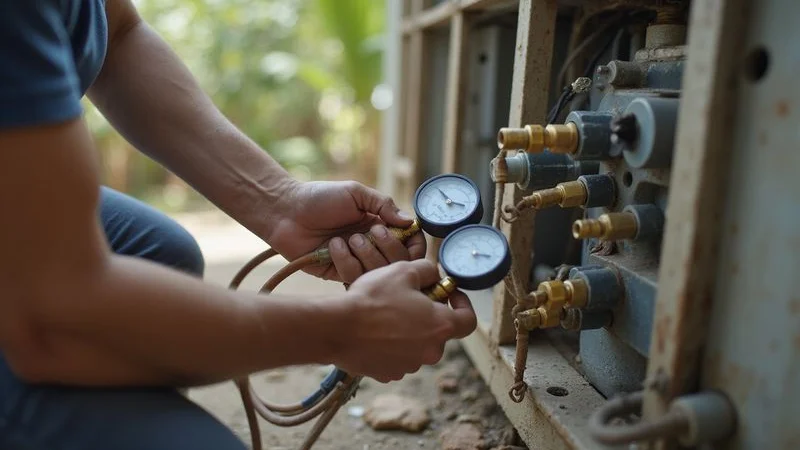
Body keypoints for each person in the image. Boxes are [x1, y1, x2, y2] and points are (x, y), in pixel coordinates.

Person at [0, 1, 478, 448]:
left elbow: (119, 35)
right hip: (44, 315)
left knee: (161, 255)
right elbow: (51, 315)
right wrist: (345, 331)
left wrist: (280, 203)